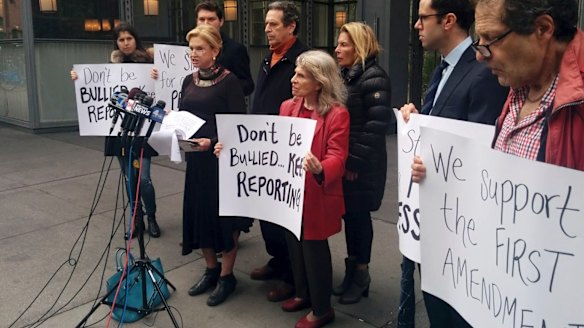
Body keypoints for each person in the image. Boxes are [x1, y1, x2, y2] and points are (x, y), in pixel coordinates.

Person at [398, 0, 509, 326]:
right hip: (432, 221)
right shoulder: (443, 68)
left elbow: (480, 156)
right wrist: (419, 122)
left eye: (422, 18)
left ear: (447, 20)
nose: (417, 26)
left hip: (460, 233)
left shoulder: (484, 73)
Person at [179, 24, 251, 307]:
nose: (194, 54)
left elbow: (238, 126)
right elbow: (186, 116)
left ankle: (227, 275)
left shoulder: (229, 81)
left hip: (221, 161)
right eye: (191, 49)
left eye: (200, 49)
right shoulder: (188, 80)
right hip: (196, 160)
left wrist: (212, 140)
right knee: (200, 215)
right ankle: (210, 269)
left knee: (224, 219)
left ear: (215, 51)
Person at [70, 23, 161, 238]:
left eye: (129, 38)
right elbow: (96, 88)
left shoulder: (150, 63)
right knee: (130, 178)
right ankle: (136, 218)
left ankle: (152, 216)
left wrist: (160, 74)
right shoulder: (110, 67)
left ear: (136, 40)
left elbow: (165, 87)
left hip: (142, 130)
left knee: (144, 179)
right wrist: (78, 77)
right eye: (121, 40)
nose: (126, 43)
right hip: (119, 131)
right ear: (116, 43)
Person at [474, 0, 583, 171]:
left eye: (491, 39)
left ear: (543, 29)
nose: (480, 56)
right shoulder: (521, 82)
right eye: (479, 40)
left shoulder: (577, 102)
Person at [249, 0, 309, 303]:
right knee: (266, 213)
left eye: (274, 24)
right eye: (266, 24)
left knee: (285, 217)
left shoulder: (302, 59)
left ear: (291, 26)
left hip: (285, 152)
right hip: (261, 150)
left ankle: (292, 274)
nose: (267, 30)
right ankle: (277, 259)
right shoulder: (268, 58)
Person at [332, 22, 392, 305]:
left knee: (359, 218)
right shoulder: (346, 76)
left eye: (344, 44)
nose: (337, 49)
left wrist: (354, 161)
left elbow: (375, 125)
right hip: (349, 163)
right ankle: (352, 271)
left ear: (359, 46)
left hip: (363, 166)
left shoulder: (373, 76)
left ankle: (361, 274)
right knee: (350, 218)